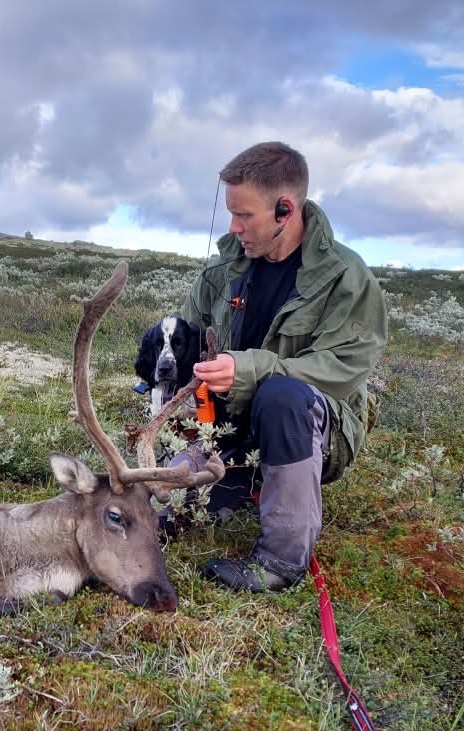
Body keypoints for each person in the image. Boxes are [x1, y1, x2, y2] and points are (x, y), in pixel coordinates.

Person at [168, 141, 387, 593]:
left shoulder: (347, 278)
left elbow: (340, 370)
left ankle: (280, 562)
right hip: (227, 426)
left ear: (285, 209)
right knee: (162, 511)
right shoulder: (221, 272)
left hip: (314, 430)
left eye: (244, 215)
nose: (233, 227)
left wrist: (247, 369)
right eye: (230, 213)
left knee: (282, 396)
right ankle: (235, 479)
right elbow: (189, 338)